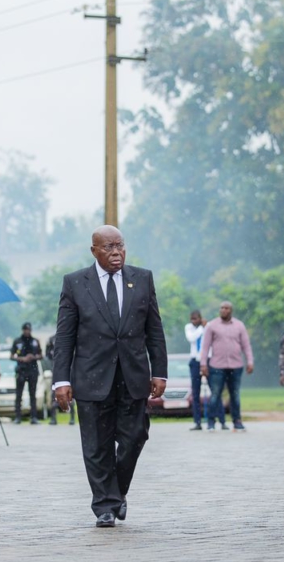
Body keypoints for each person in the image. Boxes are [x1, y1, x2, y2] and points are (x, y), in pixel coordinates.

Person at [52, 225, 167, 527]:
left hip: (133, 376)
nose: (116, 253)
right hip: (91, 378)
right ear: (94, 251)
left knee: (135, 437)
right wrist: (61, 380)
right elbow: (65, 337)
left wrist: (160, 372)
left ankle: (116, 492)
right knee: (96, 445)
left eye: (120, 246)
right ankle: (105, 505)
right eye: (108, 247)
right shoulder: (76, 283)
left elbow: (154, 330)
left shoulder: (142, 279)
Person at [199, 301, 254, 432]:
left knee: (234, 395)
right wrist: (203, 364)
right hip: (216, 366)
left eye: (226, 308)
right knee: (215, 395)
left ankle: (237, 422)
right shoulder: (212, 326)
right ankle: (211, 422)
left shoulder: (239, 325)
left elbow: (246, 345)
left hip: (236, 366)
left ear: (231, 310)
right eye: (222, 308)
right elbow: (205, 346)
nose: (223, 310)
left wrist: (250, 361)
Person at [10, 322, 43, 424]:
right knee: (19, 394)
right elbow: (11, 356)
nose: (27, 331)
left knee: (32, 394)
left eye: (29, 329)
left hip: (32, 369)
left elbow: (41, 355)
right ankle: (18, 416)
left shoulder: (35, 341)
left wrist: (33, 357)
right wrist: (22, 358)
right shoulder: (17, 341)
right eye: (25, 330)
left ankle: (33, 417)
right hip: (21, 370)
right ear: (23, 330)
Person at [184, 310, 208, 430]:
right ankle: (197, 421)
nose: (193, 321)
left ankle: (215, 420)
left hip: (207, 359)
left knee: (215, 390)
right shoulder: (189, 327)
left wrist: (205, 327)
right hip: (194, 361)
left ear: (200, 318)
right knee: (195, 392)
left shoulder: (208, 327)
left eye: (195, 319)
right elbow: (192, 338)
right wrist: (201, 328)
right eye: (192, 319)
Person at [46, 334, 76, 425]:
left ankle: (72, 418)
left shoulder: (70, 337)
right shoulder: (51, 339)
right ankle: (53, 418)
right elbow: (48, 354)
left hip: (70, 369)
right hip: (56, 369)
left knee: (70, 394)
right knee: (54, 394)